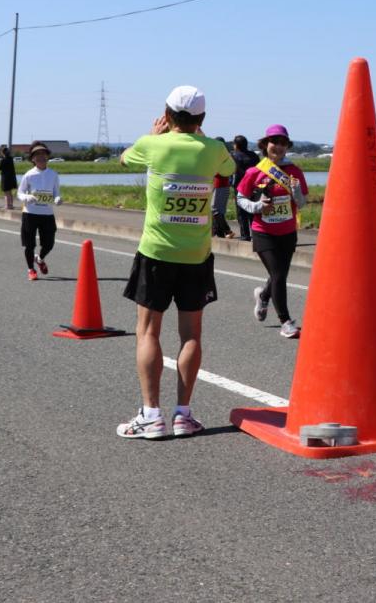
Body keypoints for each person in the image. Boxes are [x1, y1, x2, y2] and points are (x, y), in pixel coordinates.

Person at [116, 85, 235, 440]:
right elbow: (229, 167)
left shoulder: (152, 145)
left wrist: (155, 136)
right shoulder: (214, 149)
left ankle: (151, 415)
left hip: (156, 252)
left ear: (167, 116)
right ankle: (183, 415)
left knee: (148, 332)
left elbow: (124, 159)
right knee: (191, 335)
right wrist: (202, 138)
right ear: (202, 118)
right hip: (196, 255)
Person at [236, 124, 309, 339]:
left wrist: (296, 191)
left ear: (287, 146)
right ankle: (285, 322)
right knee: (278, 275)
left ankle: (263, 295)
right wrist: (258, 206)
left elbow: (302, 203)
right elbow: (240, 198)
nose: (278, 146)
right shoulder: (255, 172)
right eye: (274, 142)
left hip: (287, 232)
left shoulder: (294, 171)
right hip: (263, 232)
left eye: (283, 143)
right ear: (265, 145)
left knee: (279, 275)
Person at [17, 142, 61, 281]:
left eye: (43, 154)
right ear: (33, 159)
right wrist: (26, 197)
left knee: (49, 244)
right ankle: (31, 269)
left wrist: (58, 199)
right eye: (37, 155)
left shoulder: (53, 174)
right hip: (30, 213)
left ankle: (40, 258)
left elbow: (56, 192)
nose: (41, 157)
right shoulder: (29, 175)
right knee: (29, 245)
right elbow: (20, 192)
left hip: (47, 214)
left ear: (47, 157)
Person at [230, 135, 260, 240]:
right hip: (254, 186)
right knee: (252, 210)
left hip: (240, 187)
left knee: (241, 212)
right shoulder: (254, 155)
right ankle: (255, 234)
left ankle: (245, 235)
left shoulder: (233, 155)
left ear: (236, 145)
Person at [209, 137, 233, 238]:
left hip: (221, 185)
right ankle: (218, 233)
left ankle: (227, 231)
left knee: (215, 209)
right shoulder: (220, 156)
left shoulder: (224, 157)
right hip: (217, 184)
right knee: (216, 210)